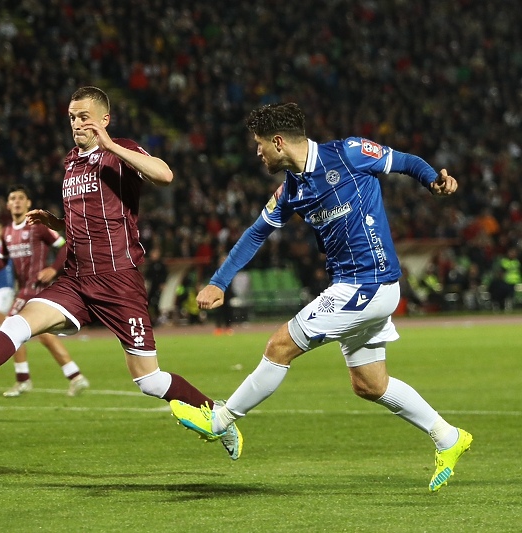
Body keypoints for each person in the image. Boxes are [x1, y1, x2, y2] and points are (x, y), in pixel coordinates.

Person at [0, 86, 240, 458]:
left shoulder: (120, 151)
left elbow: (165, 175)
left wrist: (110, 145)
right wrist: (58, 223)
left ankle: (219, 416)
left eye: (84, 117)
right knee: (18, 323)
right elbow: (90, 221)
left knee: (149, 380)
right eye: (72, 118)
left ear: (104, 119)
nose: (77, 124)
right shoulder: (71, 163)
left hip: (118, 281)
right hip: (76, 280)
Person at [169, 102, 471, 491]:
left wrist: (434, 181)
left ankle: (220, 421)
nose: (257, 152)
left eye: (260, 145)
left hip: (368, 283)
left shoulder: (348, 153)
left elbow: (406, 161)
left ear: (279, 142)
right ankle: (448, 437)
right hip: (357, 286)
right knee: (369, 384)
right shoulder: (291, 190)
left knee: (280, 345)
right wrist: (219, 282)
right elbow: (256, 233)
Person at [0, 185, 89, 397]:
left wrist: (53, 268)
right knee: (44, 334)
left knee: (10, 326)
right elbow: (4, 258)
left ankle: (23, 380)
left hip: (36, 287)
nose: (17, 201)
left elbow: (65, 245)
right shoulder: (7, 232)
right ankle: (75, 376)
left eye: (21, 198)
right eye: (12, 198)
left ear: (29, 203)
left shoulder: (38, 226)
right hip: (24, 288)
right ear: (7, 204)